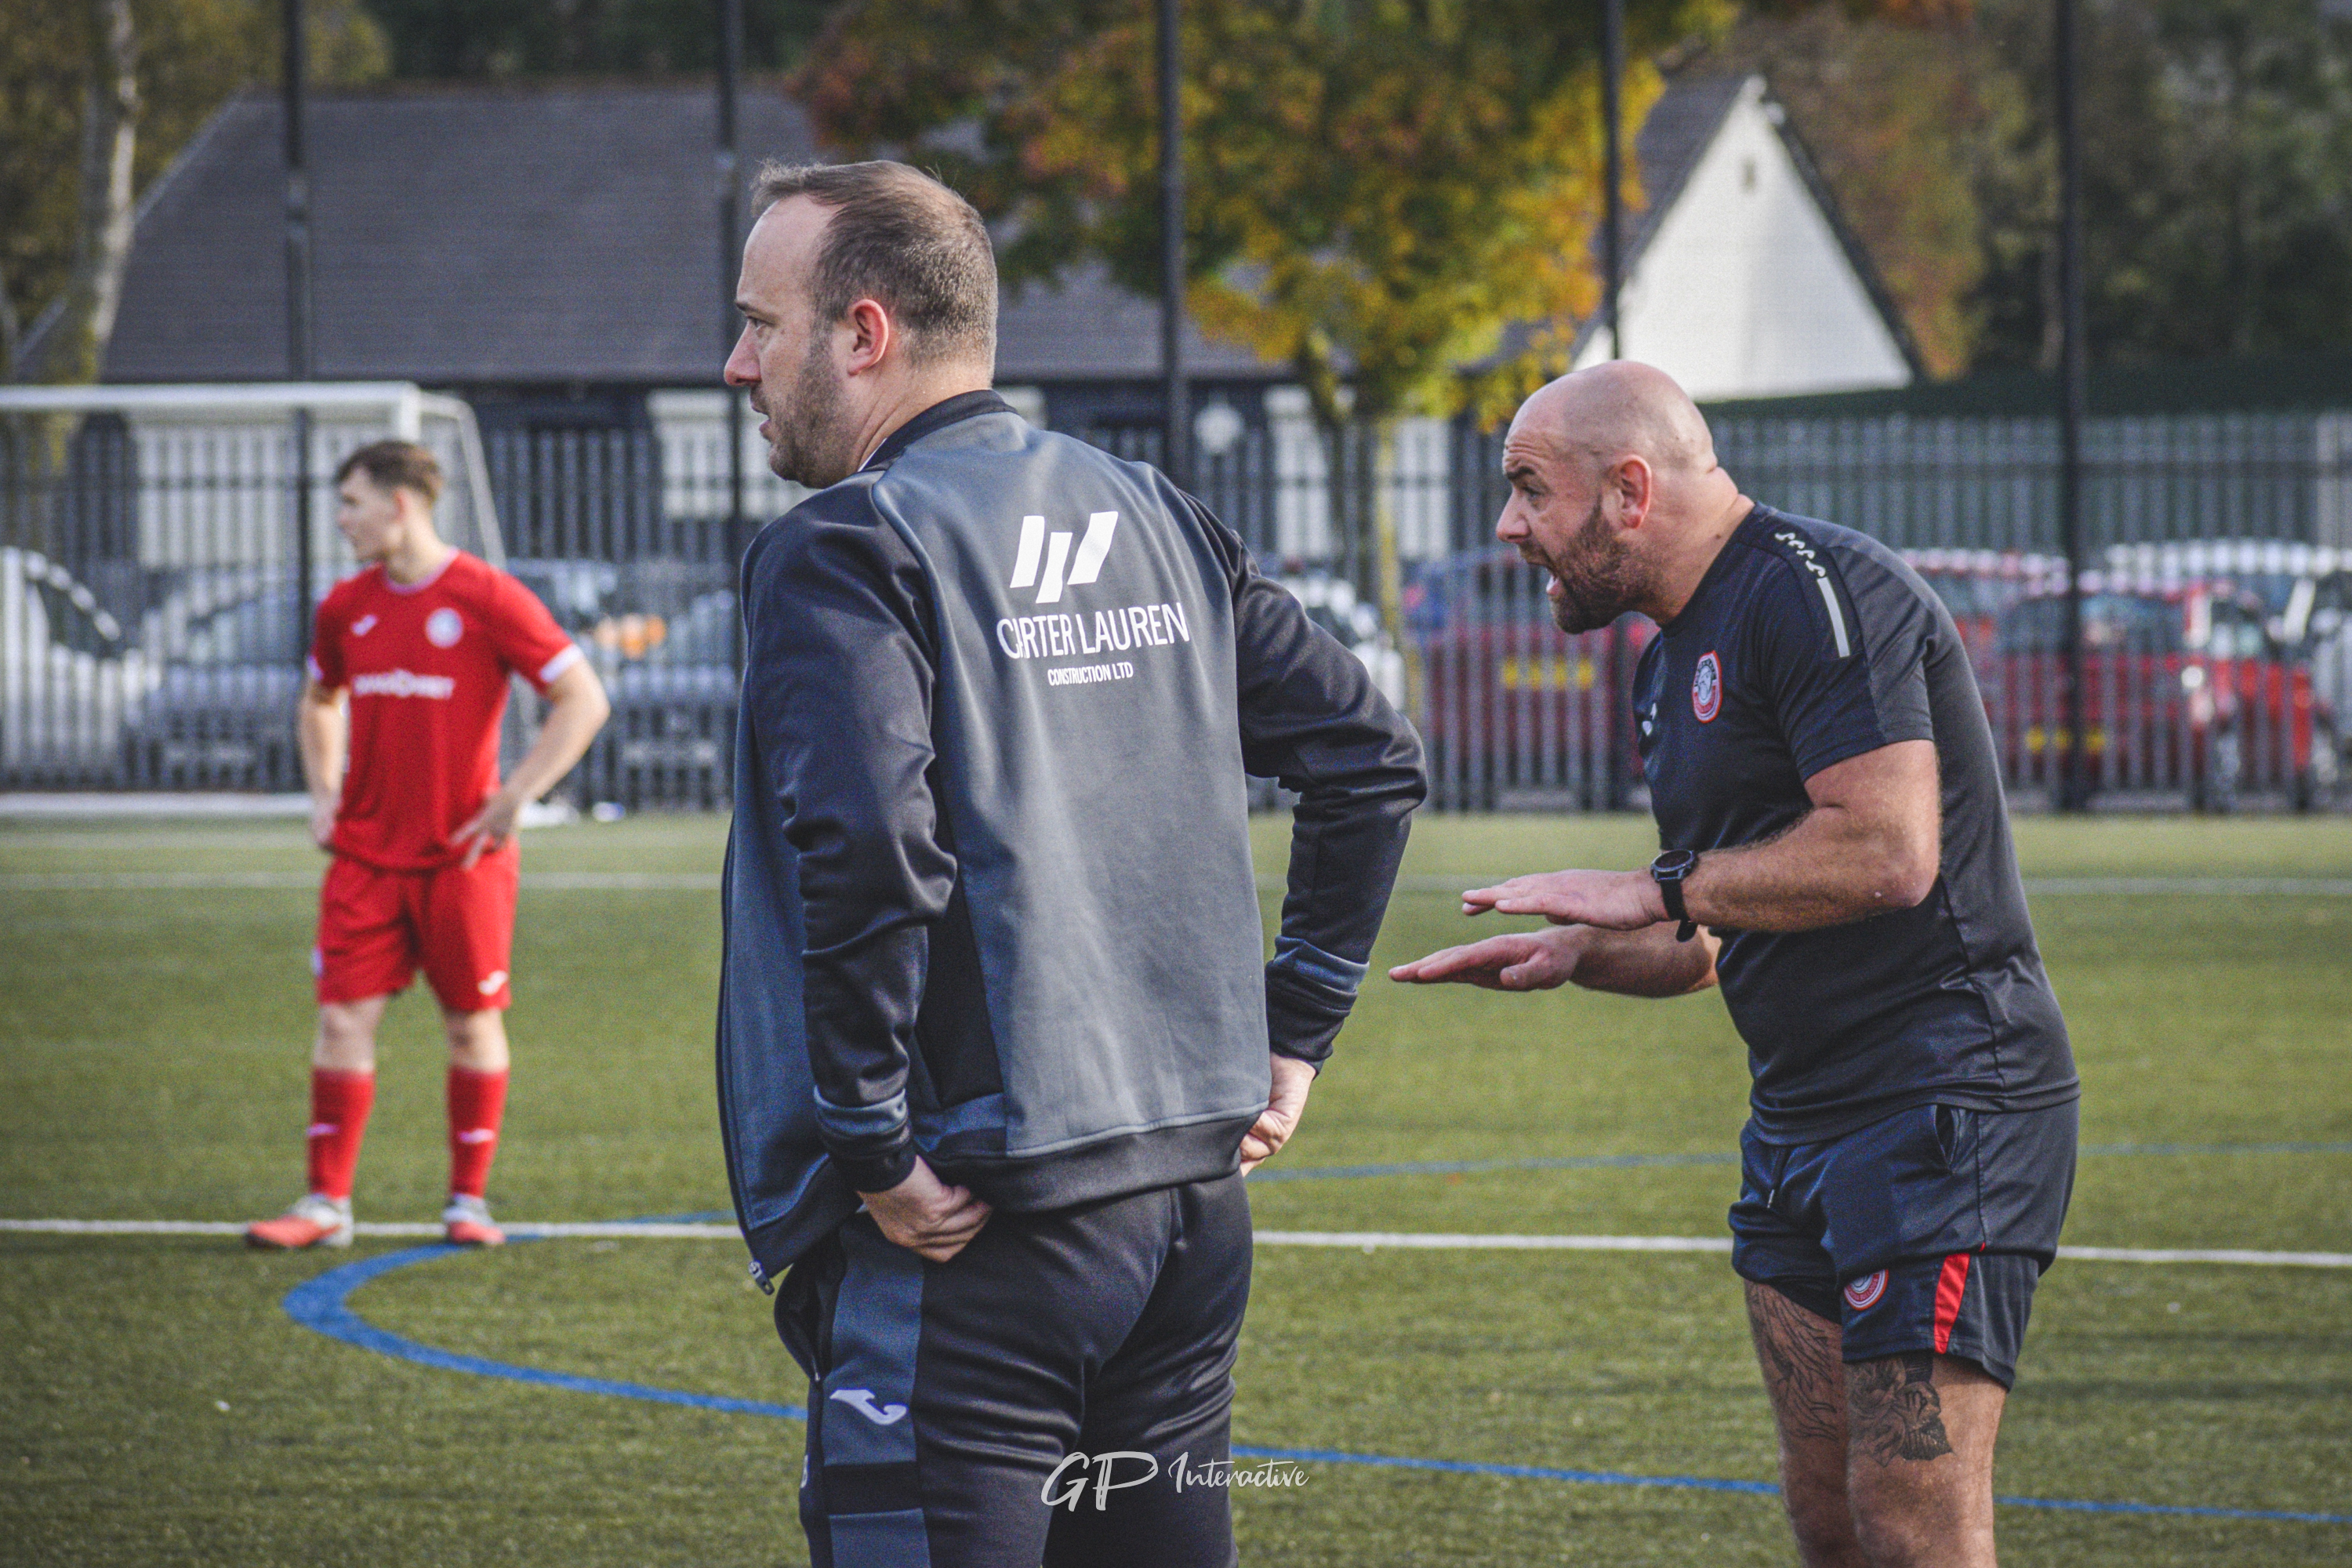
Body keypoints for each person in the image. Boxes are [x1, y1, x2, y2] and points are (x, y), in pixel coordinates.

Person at [716, 160, 1424, 1568]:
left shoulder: (848, 546)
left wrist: (868, 1143)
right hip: (1183, 1222)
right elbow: (1374, 755)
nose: (734, 363)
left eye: (758, 324)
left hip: (976, 1227)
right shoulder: (1152, 508)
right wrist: (1293, 1042)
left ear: (865, 334)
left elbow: (868, 844)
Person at [1391, 362, 2078, 1568]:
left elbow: (1887, 851)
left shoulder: (1817, 591)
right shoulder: (1667, 663)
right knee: (1828, 1518)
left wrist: (1652, 885)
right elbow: (1709, 942)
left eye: (1527, 491)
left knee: (1913, 1526)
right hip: (1799, 1126)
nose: (1507, 527)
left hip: (1943, 1106)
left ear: (1629, 491)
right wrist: (1582, 951)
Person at [245, 441, 611, 1251]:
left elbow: (582, 697)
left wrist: (518, 795)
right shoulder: (345, 605)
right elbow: (318, 700)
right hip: (366, 857)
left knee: (470, 1024)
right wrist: (325, 792)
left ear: (400, 503)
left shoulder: (488, 596)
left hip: (463, 858)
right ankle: (325, 1204)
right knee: (342, 1020)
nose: (341, 519)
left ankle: (467, 1203)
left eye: (351, 502)